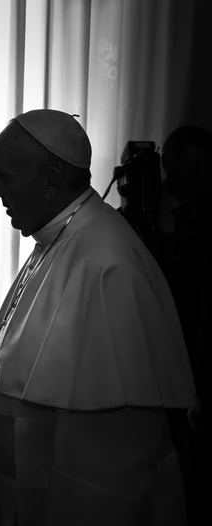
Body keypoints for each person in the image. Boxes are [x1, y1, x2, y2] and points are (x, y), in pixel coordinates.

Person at [0, 109, 197, 525]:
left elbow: (108, 471)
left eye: (4, 176)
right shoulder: (62, 235)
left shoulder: (108, 264)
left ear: (52, 181)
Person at [159, 124, 212, 526]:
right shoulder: (140, 214)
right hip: (159, 355)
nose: (196, 175)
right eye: (187, 165)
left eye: (203, 165)